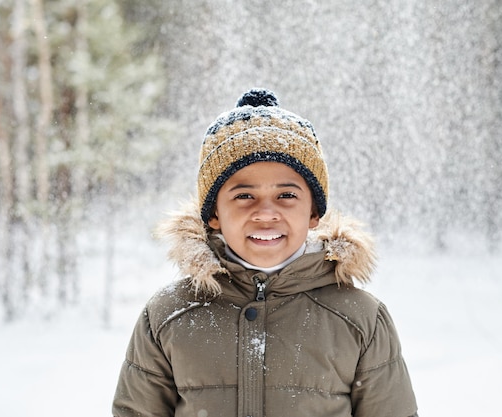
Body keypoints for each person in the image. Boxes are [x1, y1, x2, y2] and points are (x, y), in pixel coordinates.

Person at [112, 88, 418, 417]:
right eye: (244, 196)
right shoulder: (169, 315)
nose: (266, 213)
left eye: (286, 195)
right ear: (214, 213)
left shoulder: (360, 319)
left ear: (314, 213)